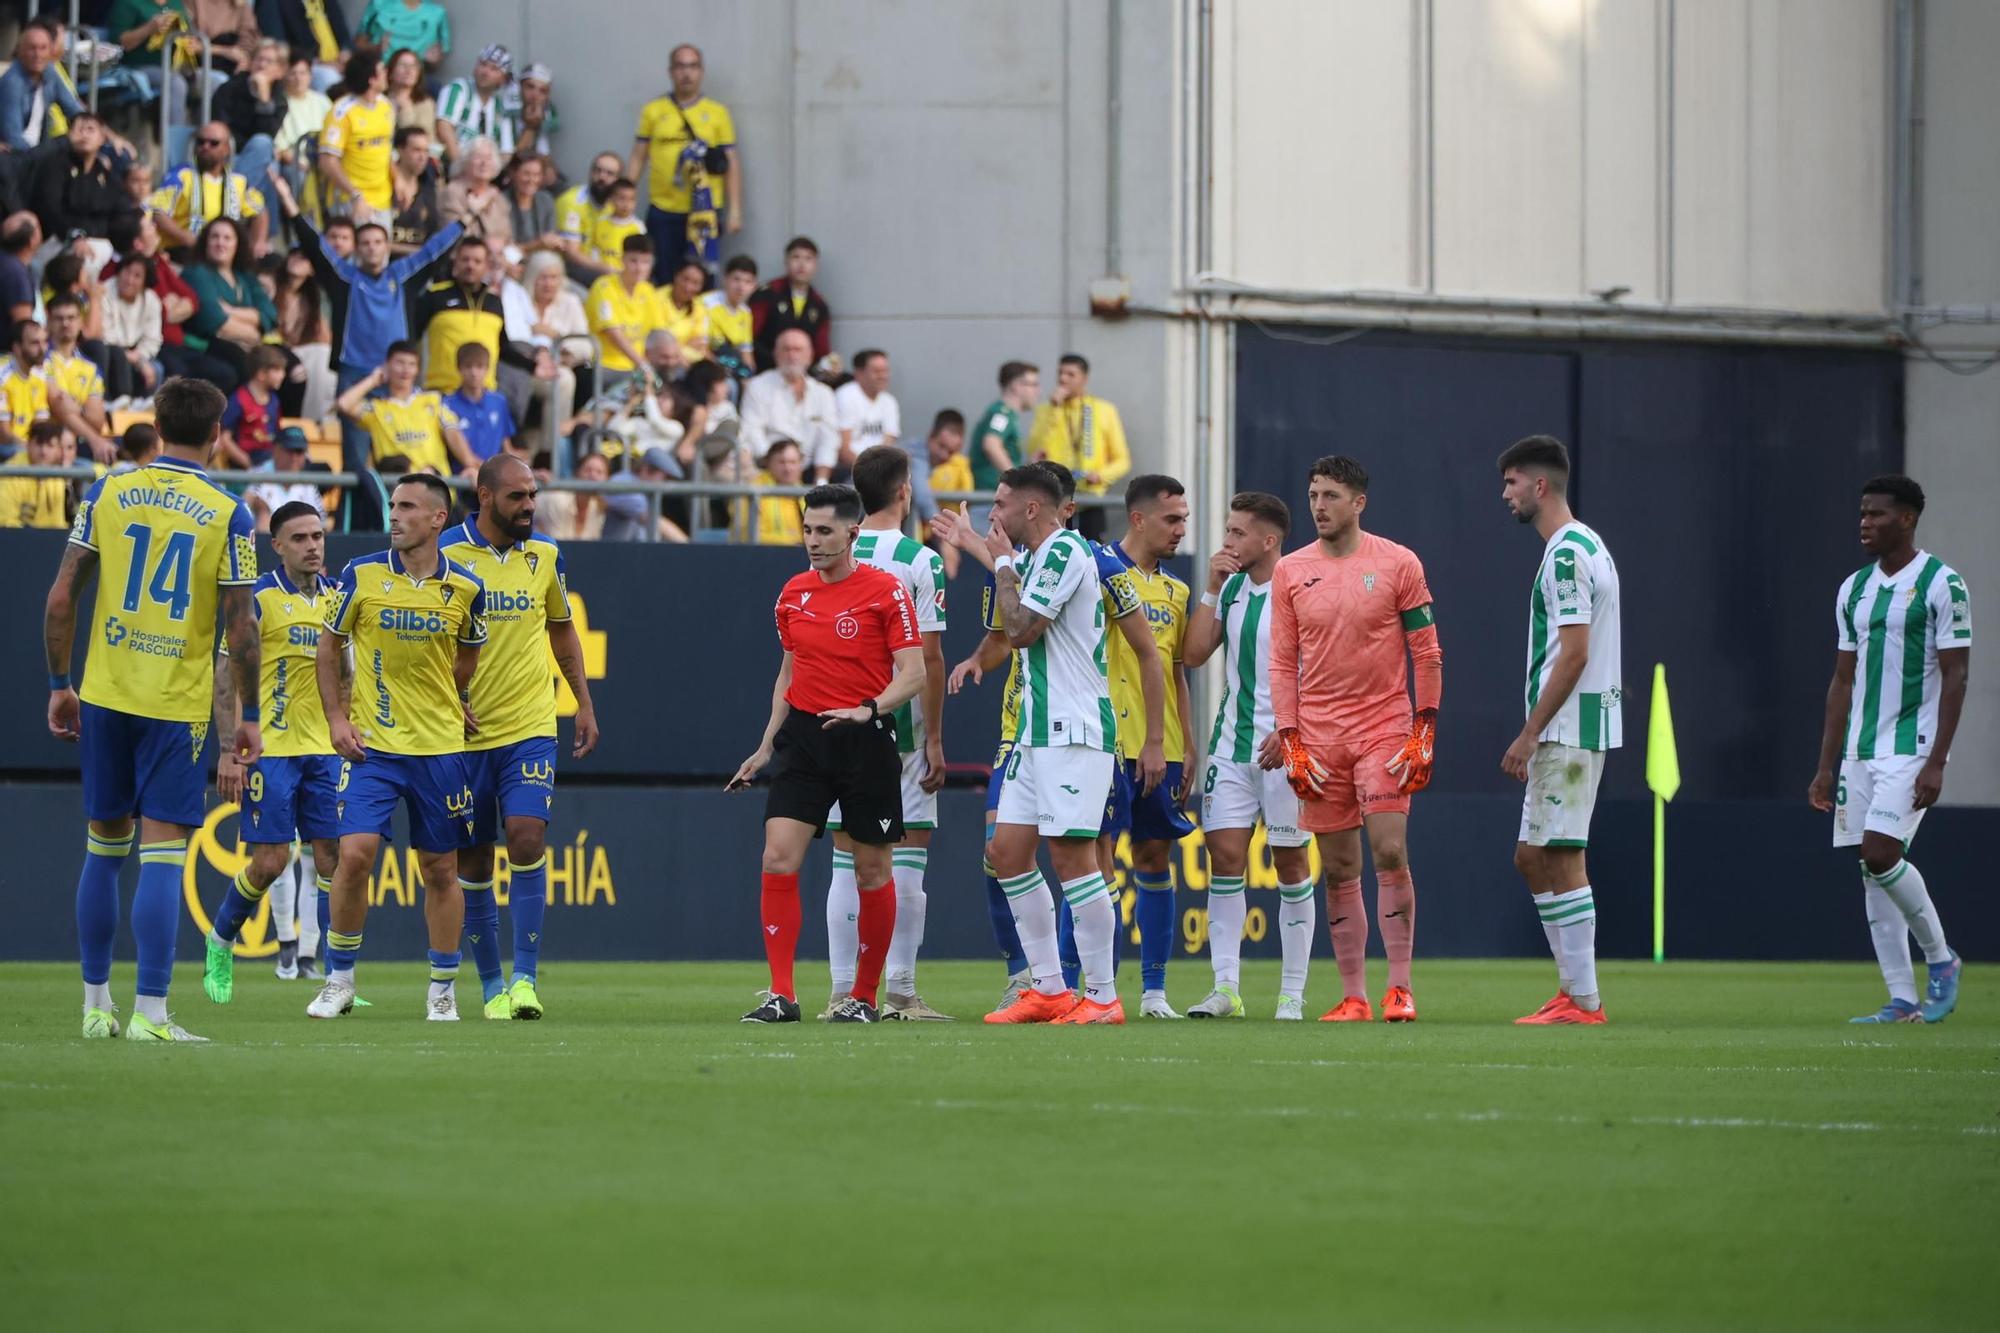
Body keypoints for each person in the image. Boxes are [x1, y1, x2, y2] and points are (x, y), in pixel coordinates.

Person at [44, 375, 261, 1042]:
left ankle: (94, 1005)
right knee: (163, 855)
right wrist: (247, 715)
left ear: (158, 425)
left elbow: (61, 598)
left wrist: (60, 682)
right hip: (175, 703)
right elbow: (242, 628)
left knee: (103, 850)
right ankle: (153, 1012)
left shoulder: (107, 490)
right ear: (217, 434)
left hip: (106, 693)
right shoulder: (229, 512)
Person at [728, 483, 925, 1024]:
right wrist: (767, 742)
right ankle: (781, 994)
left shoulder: (886, 591)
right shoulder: (793, 593)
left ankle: (862, 997)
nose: (812, 541)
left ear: (852, 534)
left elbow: (914, 673)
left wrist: (869, 708)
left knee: (871, 870)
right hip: (804, 738)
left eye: (824, 532)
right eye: (807, 530)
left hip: (865, 739)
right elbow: (788, 673)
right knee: (777, 856)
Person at [1263, 455, 1442, 1023]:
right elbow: (1282, 661)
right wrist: (1290, 737)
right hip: (1318, 736)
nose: (1319, 505)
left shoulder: (1398, 563)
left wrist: (1424, 728)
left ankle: (1400, 988)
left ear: (1358, 503)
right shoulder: (1290, 571)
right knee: (1339, 868)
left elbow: (1426, 652)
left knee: (1389, 850)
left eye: (1331, 495)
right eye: (1313, 493)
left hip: (1383, 727)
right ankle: (1354, 996)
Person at [308, 471, 481, 1020]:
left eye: (407, 507)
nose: (394, 516)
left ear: (438, 519)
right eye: (392, 506)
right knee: (354, 856)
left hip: (439, 750)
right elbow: (328, 648)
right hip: (372, 747)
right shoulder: (359, 576)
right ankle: (339, 980)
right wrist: (337, 718)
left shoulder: (466, 588)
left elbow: (468, 657)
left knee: (440, 871)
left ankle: (442, 990)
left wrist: (453, 698)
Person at [1806, 474, 1969, 1024]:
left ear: (1907, 518)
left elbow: (1956, 675)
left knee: (1881, 853)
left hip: (1911, 748)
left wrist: (1938, 760)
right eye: (1861, 514)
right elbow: (1842, 680)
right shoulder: (1853, 589)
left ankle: (1942, 960)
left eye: (1876, 515)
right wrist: (1825, 766)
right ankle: (1900, 998)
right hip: (1859, 750)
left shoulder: (1944, 584)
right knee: (1869, 867)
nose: (1864, 524)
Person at [444, 455, 600, 1019]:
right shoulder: (445, 556)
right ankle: (491, 988)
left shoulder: (546, 557)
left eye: (533, 494)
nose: (529, 506)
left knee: (527, 836)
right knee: (475, 859)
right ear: (484, 496)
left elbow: (562, 631)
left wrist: (582, 702)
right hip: (461, 734)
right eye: (517, 497)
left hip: (531, 725)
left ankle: (527, 980)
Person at [974, 465, 1130, 1023]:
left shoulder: (1063, 552)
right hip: (1033, 734)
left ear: (1032, 509)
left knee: (1073, 859)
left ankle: (1105, 996)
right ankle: (1049, 989)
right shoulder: (1034, 559)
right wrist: (1006, 565)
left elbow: (1020, 630)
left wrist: (999, 565)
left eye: (999, 504)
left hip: (1074, 731)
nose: (992, 514)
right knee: (1006, 853)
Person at [817, 446, 951, 1020]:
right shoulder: (918, 559)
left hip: (833, 721)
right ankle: (898, 988)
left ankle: (842, 989)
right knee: (908, 857)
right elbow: (931, 657)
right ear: (904, 492)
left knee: (846, 858)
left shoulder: (830, 551)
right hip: (899, 727)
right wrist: (936, 740)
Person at [1494, 436, 1619, 1026]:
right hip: (1580, 723)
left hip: (1569, 726)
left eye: (1511, 483)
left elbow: (1573, 654)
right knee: (1530, 856)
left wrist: (1529, 731)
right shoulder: (1587, 543)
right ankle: (1573, 991)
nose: (1506, 495)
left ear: (1538, 486)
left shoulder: (1566, 555)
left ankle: (1585, 1001)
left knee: (1560, 853)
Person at [1182, 492, 1317, 1019]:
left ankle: (1291, 993)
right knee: (1226, 859)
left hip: (1288, 749)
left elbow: (1326, 672)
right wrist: (1212, 590)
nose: (1228, 541)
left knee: (1290, 862)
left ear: (1270, 540)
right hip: (1230, 747)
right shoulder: (1233, 587)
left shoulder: (1304, 588)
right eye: (1228, 530)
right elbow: (1193, 654)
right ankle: (1226, 990)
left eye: (1238, 533)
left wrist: (1293, 729)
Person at [200, 501, 340, 995]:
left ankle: (338, 977)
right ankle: (220, 941)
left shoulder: (339, 598)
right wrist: (227, 751)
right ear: (277, 546)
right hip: (271, 749)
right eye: (300, 539)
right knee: (270, 863)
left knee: (332, 862)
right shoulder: (257, 598)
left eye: (318, 537)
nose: (312, 547)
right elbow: (226, 675)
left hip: (325, 749)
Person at [272, 165, 462, 525]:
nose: (372, 249)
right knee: (357, 461)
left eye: (378, 243)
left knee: (401, 457)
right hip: (356, 376)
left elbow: (436, 250)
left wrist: (465, 221)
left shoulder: (402, 275)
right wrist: (287, 200)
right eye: (366, 244)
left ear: (387, 247)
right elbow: (315, 246)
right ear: (357, 250)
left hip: (398, 380)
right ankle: (357, 526)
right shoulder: (345, 277)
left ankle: (411, 523)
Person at [1079, 474, 1188, 1018]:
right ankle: (1087, 986)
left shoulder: (1177, 591)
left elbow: (1177, 673)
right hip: (1101, 738)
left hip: (1159, 743)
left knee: (1152, 856)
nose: (1181, 529)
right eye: (1173, 519)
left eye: (1185, 519)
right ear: (1139, 518)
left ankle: (1154, 992)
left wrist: (1185, 746)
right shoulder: (1095, 569)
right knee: (1089, 864)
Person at [630, 44, 741, 279]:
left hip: (705, 212)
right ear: (671, 72)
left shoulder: (717, 113)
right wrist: (624, 198)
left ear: (701, 72)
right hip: (664, 208)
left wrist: (735, 211)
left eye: (692, 66)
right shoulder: (653, 110)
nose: (686, 73)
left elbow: (731, 163)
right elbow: (639, 156)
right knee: (663, 276)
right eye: (680, 66)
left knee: (701, 277)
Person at [1028, 354, 1131, 540]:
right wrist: (1053, 409)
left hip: (1090, 499)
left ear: (1084, 379)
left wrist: (1101, 476)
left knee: (1092, 555)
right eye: (1060, 373)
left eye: (1070, 374)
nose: (1063, 379)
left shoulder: (1103, 410)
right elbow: (1034, 449)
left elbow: (1122, 460)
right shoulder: (1047, 409)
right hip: (1055, 499)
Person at [336, 338, 474, 476]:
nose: (406, 370)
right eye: (400, 363)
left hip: (437, 488)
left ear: (417, 370)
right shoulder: (376, 409)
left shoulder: (433, 401)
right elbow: (343, 404)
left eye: (412, 364)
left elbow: (453, 433)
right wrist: (373, 380)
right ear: (386, 365)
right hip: (398, 491)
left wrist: (470, 464)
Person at [182, 216, 278, 390]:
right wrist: (254, 333)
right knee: (244, 366)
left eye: (227, 238)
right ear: (205, 242)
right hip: (208, 345)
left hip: (243, 344)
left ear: (237, 243)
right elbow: (214, 321)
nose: (220, 243)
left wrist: (229, 310)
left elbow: (269, 315)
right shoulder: (197, 273)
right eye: (215, 237)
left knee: (292, 367)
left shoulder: (245, 276)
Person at [151, 123, 271, 255]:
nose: (205, 147)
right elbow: (158, 212)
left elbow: (260, 211)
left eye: (214, 143)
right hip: (182, 250)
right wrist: (186, 237)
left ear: (227, 149)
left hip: (223, 253)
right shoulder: (180, 175)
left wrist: (258, 242)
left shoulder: (238, 182)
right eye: (200, 142)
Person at [2, 318, 108, 462]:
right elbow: (4, 434)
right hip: (8, 448)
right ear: (17, 348)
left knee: (86, 466)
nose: (43, 349)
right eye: (34, 343)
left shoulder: (39, 376)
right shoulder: (3, 376)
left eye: (44, 342)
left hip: (30, 447)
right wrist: (32, 448)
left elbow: (41, 423)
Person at [741, 328, 838, 481]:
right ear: (776, 354)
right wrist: (781, 464)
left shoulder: (823, 394)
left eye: (798, 350)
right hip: (767, 469)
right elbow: (752, 432)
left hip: (809, 470)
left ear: (810, 356)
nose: (792, 356)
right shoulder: (758, 386)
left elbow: (829, 440)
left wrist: (821, 481)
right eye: (786, 349)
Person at [26, 113, 135, 243]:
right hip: (56, 240)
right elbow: (50, 212)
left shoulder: (103, 173)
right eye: (79, 129)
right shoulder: (54, 165)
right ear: (69, 135)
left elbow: (119, 208)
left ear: (102, 138)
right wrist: (75, 235)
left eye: (90, 129)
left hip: (94, 238)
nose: (84, 134)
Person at [318, 50, 395, 221]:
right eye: (383, 70)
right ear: (372, 79)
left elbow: (386, 150)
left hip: (383, 198)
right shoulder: (342, 112)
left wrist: (399, 180)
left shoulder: (386, 106)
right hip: (351, 200)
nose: (387, 74)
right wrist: (355, 195)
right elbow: (327, 161)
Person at [211, 39, 289, 199]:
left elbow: (267, 135)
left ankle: (233, 201)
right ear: (251, 63)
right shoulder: (229, 89)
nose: (262, 65)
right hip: (228, 152)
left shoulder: (279, 101)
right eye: (259, 59)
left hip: (257, 153)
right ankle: (235, 202)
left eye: (269, 61)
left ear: (280, 71)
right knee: (267, 163)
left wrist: (264, 99)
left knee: (267, 156)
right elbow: (220, 128)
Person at [585, 233, 662, 389]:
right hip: (605, 364)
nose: (639, 268)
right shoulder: (604, 287)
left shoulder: (648, 291)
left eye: (645, 262)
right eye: (633, 261)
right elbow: (613, 334)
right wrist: (643, 365)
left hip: (637, 366)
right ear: (622, 259)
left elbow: (657, 332)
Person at [0, 19, 84, 152]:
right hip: (19, 157)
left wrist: (104, 134)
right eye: (32, 48)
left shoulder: (49, 72)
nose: (38, 55)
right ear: (21, 51)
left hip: (42, 149)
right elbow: (13, 139)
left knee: (117, 154)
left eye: (43, 48)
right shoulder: (12, 82)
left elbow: (75, 111)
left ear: (50, 50)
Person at [748, 236, 829, 368]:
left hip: (803, 371)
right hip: (765, 366)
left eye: (808, 259)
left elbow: (822, 349)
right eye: (796, 257)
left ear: (815, 265)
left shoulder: (819, 305)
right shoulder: (767, 293)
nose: (802, 265)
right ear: (786, 262)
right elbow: (749, 337)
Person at [969, 360, 1038, 505]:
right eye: (1033, 384)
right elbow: (991, 444)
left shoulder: (1007, 415)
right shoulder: (1002, 413)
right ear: (1016, 385)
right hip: (990, 501)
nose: (1038, 391)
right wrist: (1018, 482)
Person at [435, 43, 519, 163]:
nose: (485, 72)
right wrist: (461, 168)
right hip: (450, 165)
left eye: (494, 69)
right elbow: (444, 128)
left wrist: (490, 173)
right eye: (483, 64)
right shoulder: (458, 89)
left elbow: (506, 151)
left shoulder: (500, 108)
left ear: (503, 78)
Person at [43, 297, 110, 441]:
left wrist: (76, 408)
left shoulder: (91, 367)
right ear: (48, 321)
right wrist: (95, 440)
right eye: (59, 318)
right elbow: (59, 408)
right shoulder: (40, 359)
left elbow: (97, 421)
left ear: (81, 322)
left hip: (78, 443)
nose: (65, 323)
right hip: (47, 442)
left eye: (71, 318)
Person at [103, 254, 165, 404]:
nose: (129, 280)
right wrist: (137, 361)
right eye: (127, 272)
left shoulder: (151, 300)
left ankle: (142, 412)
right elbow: (106, 336)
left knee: (156, 369)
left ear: (145, 282)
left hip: (138, 352)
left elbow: (152, 339)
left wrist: (140, 358)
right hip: (111, 352)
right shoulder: (105, 292)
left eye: (137, 276)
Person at [244, 424, 330, 528]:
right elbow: (244, 506)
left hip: (299, 539)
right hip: (264, 540)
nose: (294, 457)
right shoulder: (259, 474)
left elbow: (322, 523)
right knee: (263, 514)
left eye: (299, 451)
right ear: (275, 450)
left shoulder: (308, 483)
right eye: (289, 450)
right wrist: (259, 506)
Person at [554, 151, 622, 282]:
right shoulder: (572, 201)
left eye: (609, 174)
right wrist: (608, 269)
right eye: (598, 171)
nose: (602, 177)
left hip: (601, 264)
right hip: (570, 267)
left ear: (618, 180)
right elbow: (571, 253)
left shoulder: (614, 206)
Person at [443, 341, 515, 463]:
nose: (474, 372)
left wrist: (529, 470)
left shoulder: (499, 401)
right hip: (460, 478)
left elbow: (506, 448)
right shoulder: (446, 404)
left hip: (493, 478)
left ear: (487, 369)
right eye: (468, 366)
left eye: (479, 366)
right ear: (459, 368)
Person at [218, 343, 286, 467]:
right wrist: (249, 465)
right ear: (261, 374)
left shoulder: (275, 400)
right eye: (277, 370)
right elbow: (225, 439)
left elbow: (277, 435)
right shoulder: (238, 399)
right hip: (243, 468)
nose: (282, 375)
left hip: (269, 464)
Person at [274, 52, 332, 195]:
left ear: (310, 76)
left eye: (303, 73)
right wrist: (301, 164)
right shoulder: (279, 103)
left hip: (324, 160)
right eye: (293, 73)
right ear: (285, 75)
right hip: (295, 165)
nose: (298, 78)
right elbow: (281, 150)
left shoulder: (322, 101)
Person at [834, 349, 898, 475]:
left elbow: (889, 442)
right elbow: (843, 451)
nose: (883, 376)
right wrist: (869, 472)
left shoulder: (889, 401)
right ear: (859, 373)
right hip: (849, 469)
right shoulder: (845, 396)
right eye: (877, 371)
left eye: (886, 371)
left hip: (879, 471)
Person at [0, 419, 72, 528]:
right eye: (39, 444)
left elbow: (58, 525)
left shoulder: (58, 477)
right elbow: (6, 524)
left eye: (50, 446)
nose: (43, 451)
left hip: (48, 540)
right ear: (28, 445)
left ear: (58, 450)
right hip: (14, 540)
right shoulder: (10, 473)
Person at [387, 124, 442, 255]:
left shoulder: (428, 190)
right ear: (400, 149)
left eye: (426, 151)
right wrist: (419, 253)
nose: (422, 157)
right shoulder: (384, 187)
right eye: (416, 150)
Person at [739, 435, 804, 546]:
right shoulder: (752, 491)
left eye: (793, 462)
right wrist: (792, 540)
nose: (788, 468)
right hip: (760, 557)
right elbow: (747, 534)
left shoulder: (805, 493)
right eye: (781, 462)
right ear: (768, 463)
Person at [354, 0, 450, 72]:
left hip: (415, 81)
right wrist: (375, 48)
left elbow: (438, 57)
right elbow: (358, 43)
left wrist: (433, 60)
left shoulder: (437, 13)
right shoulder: (379, 5)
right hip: (378, 73)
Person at [535, 449, 610, 541]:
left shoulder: (597, 507)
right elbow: (557, 546)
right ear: (577, 473)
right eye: (588, 470)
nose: (593, 476)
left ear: (607, 479)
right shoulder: (558, 500)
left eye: (599, 472)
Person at [703, 253, 756, 374]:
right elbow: (702, 349)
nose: (741, 286)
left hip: (732, 366)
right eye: (736, 279)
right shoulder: (707, 304)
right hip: (709, 366)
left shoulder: (746, 312)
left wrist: (750, 377)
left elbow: (747, 353)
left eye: (748, 282)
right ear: (725, 279)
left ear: (754, 286)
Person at [383, 46, 437, 145]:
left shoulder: (425, 103)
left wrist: (405, 107)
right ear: (390, 72)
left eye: (413, 66)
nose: (409, 71)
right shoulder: (380, 100)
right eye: (403, 65)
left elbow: (419, 141)